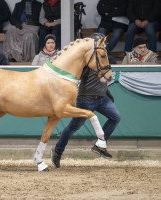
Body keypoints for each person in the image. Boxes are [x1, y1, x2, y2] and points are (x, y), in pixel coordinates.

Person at [51, 33, 121, 168]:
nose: (103, 46)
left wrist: (108, 88)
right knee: (73, 127)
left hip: (102, 98)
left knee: (116, 117)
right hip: (86, 99)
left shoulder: (102, 58)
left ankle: (100, 145)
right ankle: (58, 151)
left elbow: (105, 78)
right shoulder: (85, 62)